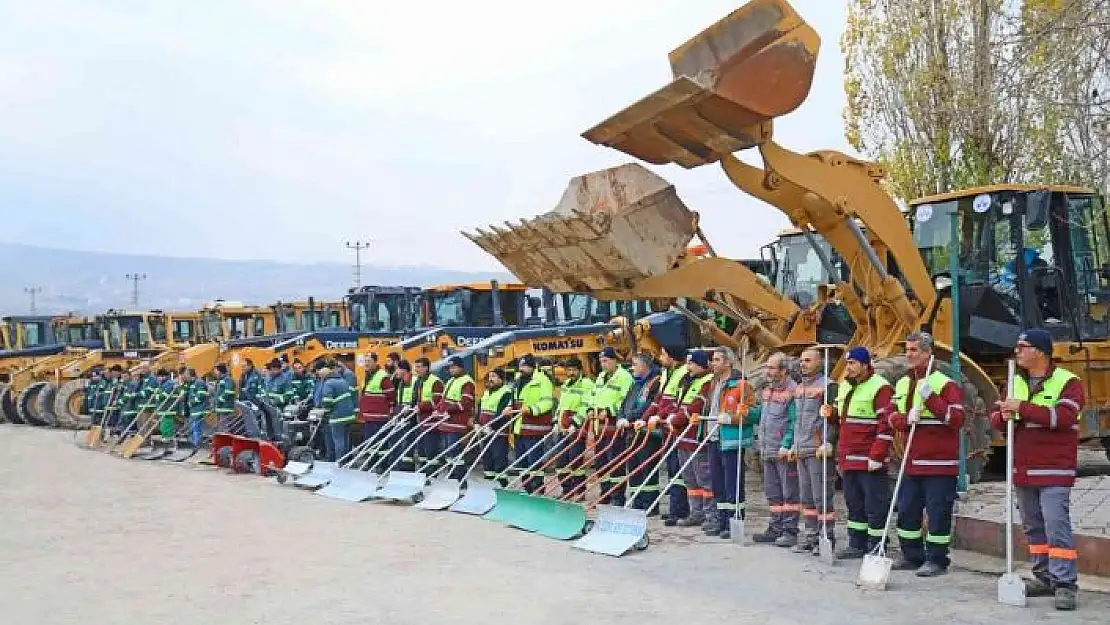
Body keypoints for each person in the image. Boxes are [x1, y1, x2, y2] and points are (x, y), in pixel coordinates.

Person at [990, 328, 1084, 611]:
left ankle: (1064, 583)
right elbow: (996, 417)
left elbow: (1063, 417)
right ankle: (1043, 577)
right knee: (1033, 527)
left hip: (1054, 468)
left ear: (1040, 352)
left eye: (1022, 347)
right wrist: (1002, 416)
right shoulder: (1014, 381)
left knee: (1056, 524)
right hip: (1023, 467)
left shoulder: (1069, 382)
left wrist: (1023, 407)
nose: (1016, 352)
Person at [887, 332, 965, 576]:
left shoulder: (944, 384)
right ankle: (912, 554)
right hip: (911, 461)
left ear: (927, 353)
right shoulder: (902, 383)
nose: (909, 355)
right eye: (907, 350)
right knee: (907, 509)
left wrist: (931, 399)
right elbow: (890, 415)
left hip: (939, 463)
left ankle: (937, 559)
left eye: (914, 350)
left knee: (938, 512)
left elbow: (957, 419)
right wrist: (905, 419)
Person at [822, 346, 895, 559]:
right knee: (854, 504)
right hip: (849, 457)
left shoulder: (880, 388)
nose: (849, 368)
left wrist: (877, 455)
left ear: (865, 365)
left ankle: (876, 543)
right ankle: (857, 543)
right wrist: (832, 414)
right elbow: (843, 420)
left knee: (875, 504)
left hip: (868, 459)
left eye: (853, 363)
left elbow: (886, 425)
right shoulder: (846, 387)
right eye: (848, 363)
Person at [750, 352, 801, 547]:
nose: (768, 372)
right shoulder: (768, 391)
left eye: (771, 368)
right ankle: (775, 527)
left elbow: (793, 422)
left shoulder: (793, 391)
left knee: (789, 493)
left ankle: (790, 530)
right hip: (767, 448)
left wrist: (786, 444)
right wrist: (747, 413)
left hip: (781, 450)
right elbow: (763, 417)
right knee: (772, 492)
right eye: (767, 368)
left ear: (783, 370)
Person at [792, 347, 839, 555]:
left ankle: (826, 536)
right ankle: (811, 536)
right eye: (802, 360)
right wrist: (794, 444)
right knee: (807, 498)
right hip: (802, 448)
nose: (803, 364)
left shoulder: (828, 387)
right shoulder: (800, 388)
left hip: (818, 450)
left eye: (808, 360)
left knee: (821, 497)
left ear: (820, 363)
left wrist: (828, 441)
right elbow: (797, 420)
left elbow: (833, 420)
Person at [640, 344, 691, 526]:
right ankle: (675, 509)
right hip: (667, 428)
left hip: (676, 428)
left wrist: (661, 417)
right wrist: (644, 418)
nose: (660, 358)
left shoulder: (683, 373)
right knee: (672, 470)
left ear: (672, 357)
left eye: (663, 354)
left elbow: (675, 404)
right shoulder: (666, 373)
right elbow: (658, 401)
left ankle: (680, 510)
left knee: (678, 471)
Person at [664, 349, 715, 529]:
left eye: (691, 363)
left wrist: (675, 419)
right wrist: (671, 416)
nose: (688, 366)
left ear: (700, 364)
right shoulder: (686, 380)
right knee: (690, 480)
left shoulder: (708, 381)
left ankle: (711, 515)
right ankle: (696, 512)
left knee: (704, 479)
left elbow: (697, 406)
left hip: (697, 438)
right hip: (682, 437)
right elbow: (676, 404)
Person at [705, 346, 751, 538]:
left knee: (733, 482)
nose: (713, 363)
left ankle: (735, 520)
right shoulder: (714, 382)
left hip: (731, 440)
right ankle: (721, 520)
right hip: (713, 437)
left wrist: (733, 418)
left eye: (717, 360)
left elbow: (751, 412)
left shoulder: (740, 384)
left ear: (728, 362)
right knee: (718, 483)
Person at [588, 347, 636, 505]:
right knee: (601, 464)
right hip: (599, 428)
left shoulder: (624, 377)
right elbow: (593, 396)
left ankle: (618, 497)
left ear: (614, 360)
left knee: (616, 464)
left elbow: (626, 401)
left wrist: (609, 411)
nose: (603, 364)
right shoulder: (601, 377)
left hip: (615, 427)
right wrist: (590, 409)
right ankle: (605, 493)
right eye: (601, 361)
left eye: (606, 361)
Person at [506, 354, 555, 493]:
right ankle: (526, 489)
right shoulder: (518, 381)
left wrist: (532, 409)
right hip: (519, 428)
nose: (521, 369)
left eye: (524, 366)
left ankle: (538, 489)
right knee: (521, 462)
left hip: (535, 428)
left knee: (534, 461)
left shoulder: (542, 380)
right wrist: (509, 407)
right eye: (520, 366)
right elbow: (515, 399)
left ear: (532, 367)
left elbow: (547, 402)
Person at [621, 352, 662, 511]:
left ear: (645, 365)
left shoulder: (654, 382)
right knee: (633, 470)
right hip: (631, 431)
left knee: (646, 469)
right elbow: (625, 403)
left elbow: (648, 406)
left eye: (635, 364)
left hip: (647, 434)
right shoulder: (635, 383)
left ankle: (649, 505)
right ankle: (637, 503)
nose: (632, 368)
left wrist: (629, 417)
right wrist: (621, 417)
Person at [554, 357, 594, 494]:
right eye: (569, 370)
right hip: (563, 427)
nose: (571, 373)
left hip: (577, 427)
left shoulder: (586, 384)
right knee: (561, 462)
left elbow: (586, 404)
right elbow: (561, 406)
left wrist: (576, 423)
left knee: (575, 460)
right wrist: (556, 421)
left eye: (574, 370)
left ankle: (579, 491)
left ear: (579, 370)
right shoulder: (566, 385)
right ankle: (566, 490)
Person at [434, 356, 476, 480]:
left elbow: (466, 402)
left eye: (453, 367)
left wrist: (448, 410)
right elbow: (444, 399)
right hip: (447, 423)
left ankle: (460, 479)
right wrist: (438, 410)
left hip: (457, 424)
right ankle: (452, 478)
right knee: (449, 453)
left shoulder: (467, 382)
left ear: (461, 367)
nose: (451, 370)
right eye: (449, 368)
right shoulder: (451, 380)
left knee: (455, 453)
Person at [476, 368, 514, 484]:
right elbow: (480, 408)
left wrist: (491, 426)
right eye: (490, 376)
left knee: (499, 458)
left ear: (501, 379)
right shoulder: (487, 392)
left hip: (498, 432)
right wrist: (477, 423)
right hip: (485, 431)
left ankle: (502, 485)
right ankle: (489, 483)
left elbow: (502, 413)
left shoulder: (506, 393)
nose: (490, 379)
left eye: (493, 377)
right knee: (487, 458)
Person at [358, 353, 395, 457]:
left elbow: (391, 394)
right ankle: (371, 463)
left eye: (369, 361)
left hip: (379, 417)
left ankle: (381, 466)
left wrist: (389, 409)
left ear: (375, 362)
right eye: (365, 361)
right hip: (369, 417)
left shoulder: (382, 376)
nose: (366, 363)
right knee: (369, 444)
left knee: (380, 444)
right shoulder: (367, 376)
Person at [318, 366, 356, 461]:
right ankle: (346, 460)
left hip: (338, 416)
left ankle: (339, 462)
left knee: (338, 440)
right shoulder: (342, 381)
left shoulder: (328, 383)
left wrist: (325, 411)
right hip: (349, 415)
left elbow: (327, 401)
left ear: (324, 376)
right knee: (345, 439)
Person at [182, 367, 209, 446]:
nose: (185, 376)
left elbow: (201, 395)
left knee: (196, 428)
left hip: (198, 410)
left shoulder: (199, 382)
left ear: (191, 374)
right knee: (192, 428)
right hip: (193, 411)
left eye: (186, 374)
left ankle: (197, 445)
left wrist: (192, 402)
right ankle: (193, 444)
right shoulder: (191, 383)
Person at [213, 364, 237, 432]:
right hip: (221, 409)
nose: (215, 373)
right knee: (221, 429)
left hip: (225, 409)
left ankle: (225, 442)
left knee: (224, 429)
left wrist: (220, 400)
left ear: (220, 371)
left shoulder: (228, 379)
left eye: (216, 371)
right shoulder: (221, 380)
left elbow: (229, 391)